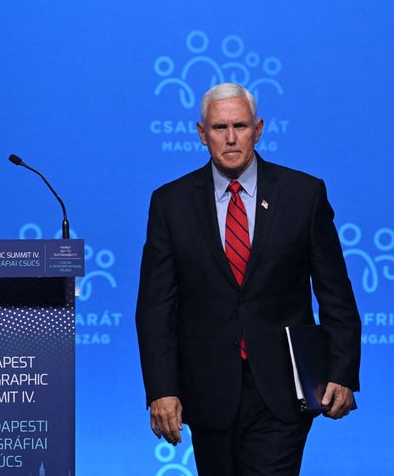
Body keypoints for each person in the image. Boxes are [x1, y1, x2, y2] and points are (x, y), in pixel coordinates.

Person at [135, 82, 361, 475]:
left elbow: (335, 292)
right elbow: (154, 307)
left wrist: (342, 373)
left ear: (258, 129)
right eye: (219, 128)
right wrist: (161, 389)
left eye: (240, 126)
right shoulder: (171, 203)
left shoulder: (303, 194)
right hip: (207, 389)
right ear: (202, 134)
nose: (231, 137)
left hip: (284, 388)